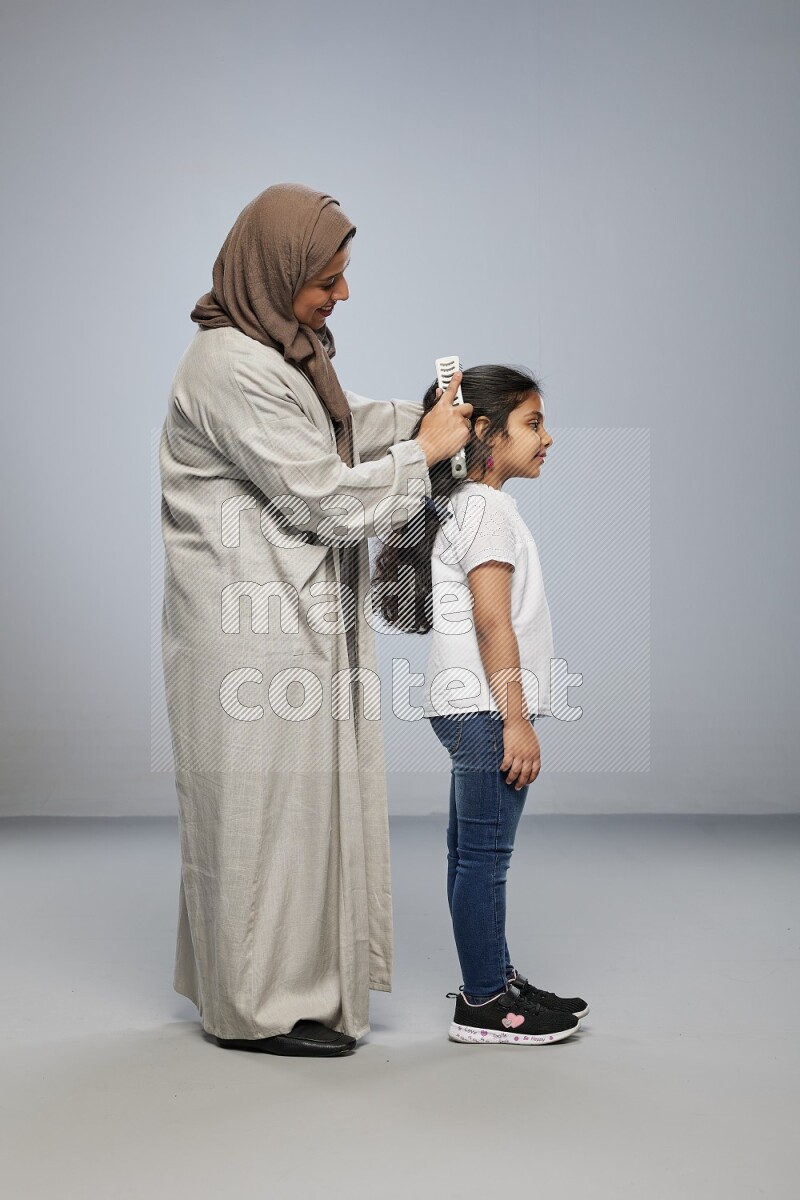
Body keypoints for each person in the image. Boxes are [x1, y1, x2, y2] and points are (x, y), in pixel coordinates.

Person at [159, 183, 472, 1057]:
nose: (342, 296)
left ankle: (285, 988)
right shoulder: (227, 368)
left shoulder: (279, 352)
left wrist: (422, 423)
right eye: (326, 280)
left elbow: (337, 425)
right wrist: (425, 453)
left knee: (295, 815)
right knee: (254, 818)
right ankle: (251, 1010)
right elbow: (324, 496)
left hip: (285, 623)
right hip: (243, 632)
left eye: (343, 276)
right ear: (274, 272)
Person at [371, 365, 590, 1045]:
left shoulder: (466, 505)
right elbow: (495, 623)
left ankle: (491, 980)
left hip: (462, 702)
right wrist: (516, 718)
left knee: (470, 854)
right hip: (487, 709)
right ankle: (488, 1003)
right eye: (533, 423)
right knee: (485, 858)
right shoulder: (486, 510)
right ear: (486, 436)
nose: (548, 437)